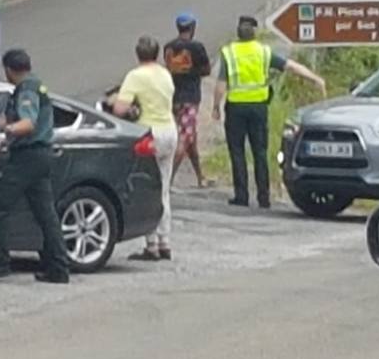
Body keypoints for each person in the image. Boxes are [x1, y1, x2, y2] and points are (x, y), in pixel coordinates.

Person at [0, 49, 71, 284]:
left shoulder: (27, 90)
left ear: (9, 69)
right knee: (46, 214)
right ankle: (58, 266)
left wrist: (6, 127)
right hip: (40, 155)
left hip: (28, 157)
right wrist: (2, 146)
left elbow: (27, 124)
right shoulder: (37, 85)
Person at [212, 16, 326, 209]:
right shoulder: (263, 52)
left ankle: (241, 196)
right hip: (258, 108)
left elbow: (221, 84)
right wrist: (315, 78)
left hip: (236, 108)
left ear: (238, 35)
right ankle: (263, 197)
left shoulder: (229, 53)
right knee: (260, 152)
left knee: (237, 152)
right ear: (254, 34)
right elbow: (290, 66)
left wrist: (216, 106)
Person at [113, 36, 179, 261]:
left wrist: (115, 101)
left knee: (146, 187)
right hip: (170, 130)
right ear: (157, 54)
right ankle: (165, 241)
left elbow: (120, 110)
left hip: (148, 134)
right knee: (163, 187)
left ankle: (151, 245)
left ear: (137, 54)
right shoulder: (165, 74)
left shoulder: (135, 76)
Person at [163, 13, 213, 188]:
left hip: (173, 98)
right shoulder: (197, 47)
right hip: (190, 98)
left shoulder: (168, 47)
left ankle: (201, 177)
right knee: (184, 138)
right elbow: (206, 70)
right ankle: (168, 179)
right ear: (192, 28)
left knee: (191, 139)